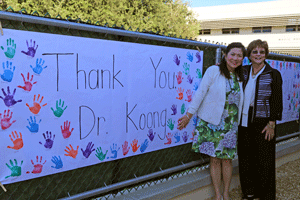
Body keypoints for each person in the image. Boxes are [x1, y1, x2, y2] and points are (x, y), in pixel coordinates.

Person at [177, 42, 246, 200]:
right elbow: (200, 93)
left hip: (230, 125)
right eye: (233, 54)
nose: (235, 58)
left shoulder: (241, 76)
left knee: (227, 160)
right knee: (214, 160)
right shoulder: (214, 70)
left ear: (243, 59)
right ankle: (217, 195)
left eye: (239, 56)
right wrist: (189, 115)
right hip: (211, 123)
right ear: (225, 55)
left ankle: (226, 194)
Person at [238, 39, 283, 200]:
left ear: (266, 55)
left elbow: (277, 100)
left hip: (263, 122)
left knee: (264, 160)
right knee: (245, 158)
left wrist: (272, 123)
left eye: (262, 52)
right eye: (255, 52)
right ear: (249, 55)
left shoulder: (273, 74)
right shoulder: (242, 71)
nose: (258, 55)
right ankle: (249, 193)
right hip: (243, 121)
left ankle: (265, 195)